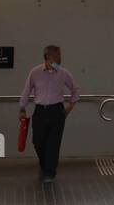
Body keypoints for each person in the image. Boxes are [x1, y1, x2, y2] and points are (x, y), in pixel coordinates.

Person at [18, 45, 79, 183]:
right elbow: (26, 91)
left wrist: (69, 108)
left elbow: (75, 90)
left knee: (53, 143)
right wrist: (22, 108)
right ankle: (44, 165)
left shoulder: (64, 73)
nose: (60, 58)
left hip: (57, 111)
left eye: (60, 55)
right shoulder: (35, 72)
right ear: (48, 57)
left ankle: (50, 173)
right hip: (40, 111)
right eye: (57, 55)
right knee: (37, 141)